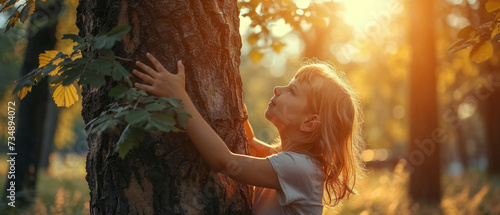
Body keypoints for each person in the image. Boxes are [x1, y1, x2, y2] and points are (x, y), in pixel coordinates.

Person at [133, 53, 365, 214]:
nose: (278, 88)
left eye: (292, 91)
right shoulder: (294, 161)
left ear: (309, 124)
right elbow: (252, 145)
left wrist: (179, 98)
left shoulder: (300, 168)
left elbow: (225, 162)